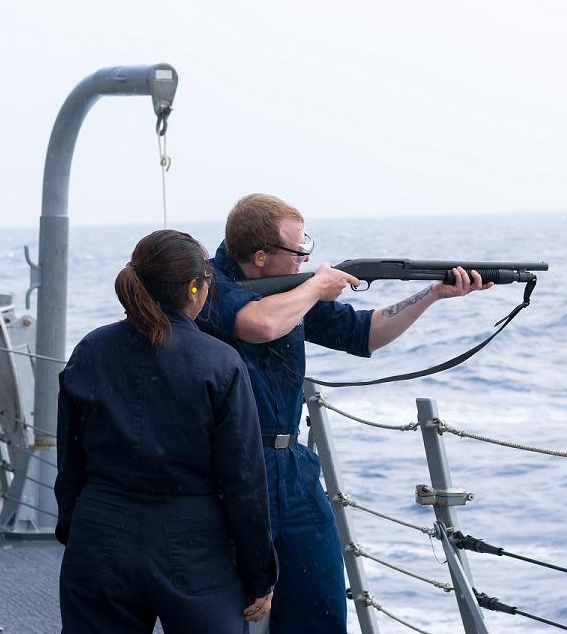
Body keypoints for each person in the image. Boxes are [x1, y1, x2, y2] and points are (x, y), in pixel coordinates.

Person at [198, 193, 494, 633]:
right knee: (223, 615)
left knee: (320, 607)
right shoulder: (209, 286)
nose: (306, 260)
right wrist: (315, 286)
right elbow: (259, 324)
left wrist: (432, 293)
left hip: (292, 468)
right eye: (298, 251)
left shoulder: (292, 290)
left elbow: (364, 334)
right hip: (229, 471)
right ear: (259, 257)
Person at [55, 230, 279, 634]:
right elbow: (243, 480)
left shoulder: (90, 349)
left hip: (101, 531)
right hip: (193, 545)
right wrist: (259, 575)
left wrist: (77, 531)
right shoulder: (221, 363)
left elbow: (70, 458)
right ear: (194, 287)